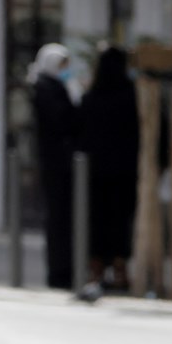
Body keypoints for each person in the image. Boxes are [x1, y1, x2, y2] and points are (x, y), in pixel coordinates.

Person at [77, 45, 139, 292]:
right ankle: (121, 270)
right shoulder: (131, 96)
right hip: (125, 171)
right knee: (121, 221)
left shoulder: (92, 97)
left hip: (94, 172)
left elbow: (78, 133)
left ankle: (96, 271)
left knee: (97, 222)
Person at [29, 43, 81, 290]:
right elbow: (62, 121)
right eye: (61, 66)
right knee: (58, 220)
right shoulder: (44, 88)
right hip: (54, 164)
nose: (65, 71)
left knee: (66, 220)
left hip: (65, 163)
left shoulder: (55, 86)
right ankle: (59, 272)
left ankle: (67, 270)